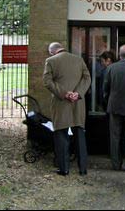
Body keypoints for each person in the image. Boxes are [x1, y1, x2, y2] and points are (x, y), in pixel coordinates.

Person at [43, 42, 91, 176]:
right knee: (80, 134)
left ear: (52, 52)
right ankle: (83, 168)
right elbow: (87, 78)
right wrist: (78, 93)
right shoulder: (78, 59)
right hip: (78, 103)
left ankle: (64, 169)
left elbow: (47, 81)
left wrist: (65, 94)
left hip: (60, 102)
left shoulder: (50, 61)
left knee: (61, 135)